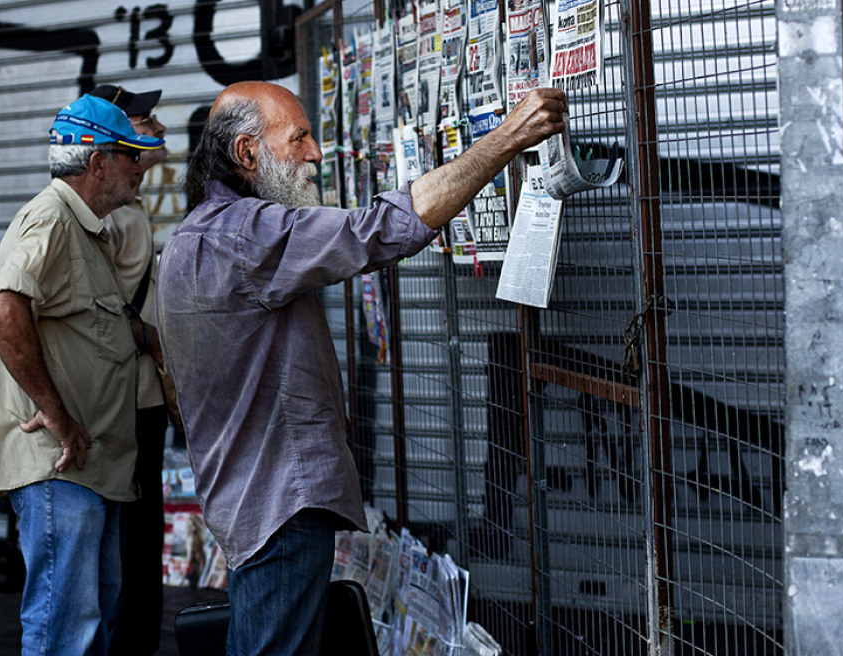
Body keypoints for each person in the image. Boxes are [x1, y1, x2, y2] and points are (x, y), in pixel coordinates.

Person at [156, 81, 566, 656]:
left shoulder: (187, 241)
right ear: (247, 154)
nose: (315, 154)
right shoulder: (245, 237)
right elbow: (376, 231)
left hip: (246, 500)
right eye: (298, 139)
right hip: (281, 505)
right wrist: (504, 140)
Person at [0, 93, 164, 656]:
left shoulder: (90, 229)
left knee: (88, 624)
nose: (139, 168)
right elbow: (2, 310)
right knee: (64, 632)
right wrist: (55, 412)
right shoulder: (50, 218)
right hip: (59, 470)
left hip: (90, 468)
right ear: (98, 162)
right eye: (130, 156)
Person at [87, 83, 171, 656]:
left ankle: (135, 639)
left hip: (147, 397)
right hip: (125, 399)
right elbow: (95, 299)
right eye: (144, 122)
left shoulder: (130, 201)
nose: (158, 129)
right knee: (128, 540)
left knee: (140, 536)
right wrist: (150, 338)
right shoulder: (106, 212)